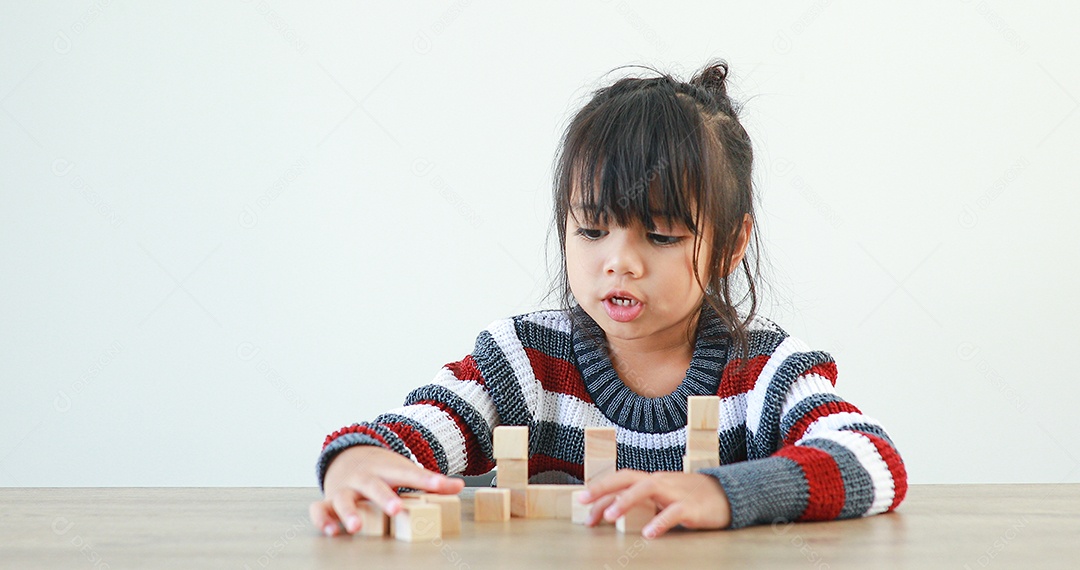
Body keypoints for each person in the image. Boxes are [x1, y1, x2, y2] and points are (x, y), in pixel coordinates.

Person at [308, 59, 907, 539]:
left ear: (730, 245)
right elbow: (417, 430)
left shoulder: (763, 373)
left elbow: (874, 461)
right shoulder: (524, 361)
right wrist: (356, 459)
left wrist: (722, 493)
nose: (619, 261)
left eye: (663, 235)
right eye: (592, 230)